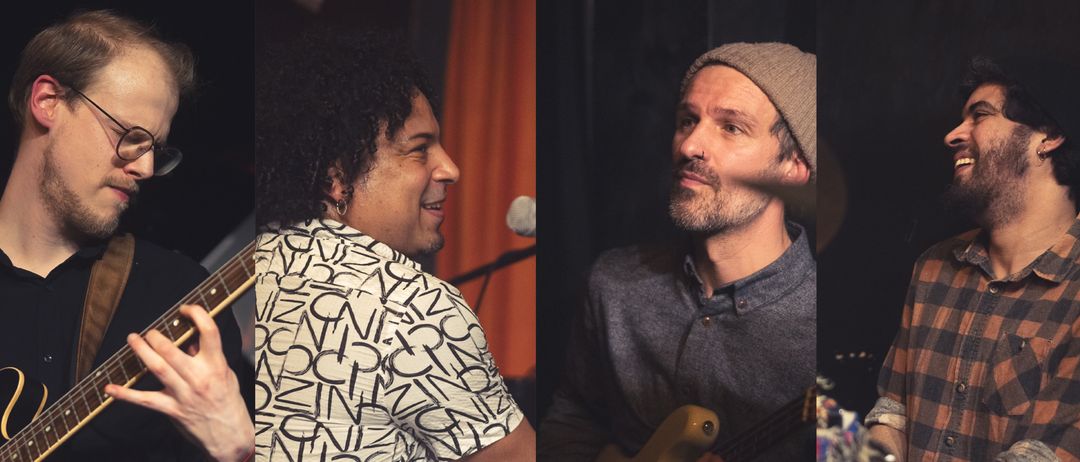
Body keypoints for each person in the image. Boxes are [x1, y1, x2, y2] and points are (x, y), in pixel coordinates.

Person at [253, 27, 535, 461]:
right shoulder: (414, 308)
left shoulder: (255, 263)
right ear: (337, 177)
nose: (451, 169)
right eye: (419, 150)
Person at [538, 42, 816, 461]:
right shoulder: (614, 283)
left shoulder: (828, 323)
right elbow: (573, 421)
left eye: (731, 127)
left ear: (794, 166)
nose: (690, 146)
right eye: (688, 120)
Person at [0, 10, 253, 461]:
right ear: (49, 101)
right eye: (130, 135)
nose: (146, 168)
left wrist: (238, 452)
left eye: (155, 148)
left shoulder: (183, 300)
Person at [868, 57, 1080, 461]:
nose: (952, 135)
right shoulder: (932, 267)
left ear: (1048, 136)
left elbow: (1046, 453)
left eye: (979, 115)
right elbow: (892, 413)